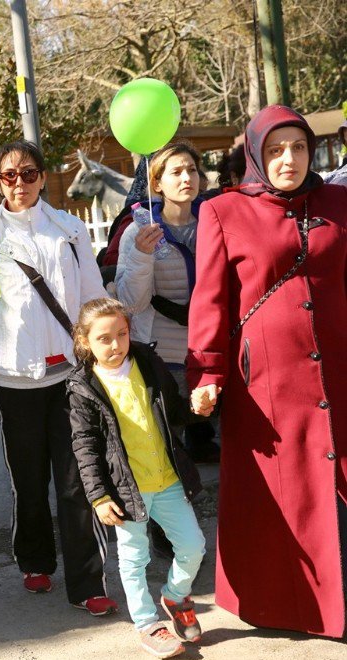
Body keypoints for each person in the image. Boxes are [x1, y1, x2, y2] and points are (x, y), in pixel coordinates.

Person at [187, 105, 347, 637]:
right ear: (256, 154)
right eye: (276, 149)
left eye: (299, 147)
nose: (289, 159)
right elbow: (210, 300)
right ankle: (287, 605)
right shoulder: (223, 212)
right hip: (268, 381)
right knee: (285, 491)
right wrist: (207, 374)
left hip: (340, 370)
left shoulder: (339, 203)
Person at [0, 140, 115, 616]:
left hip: (70, 378)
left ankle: (88, 581)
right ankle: (34, 559)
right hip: (14, 383)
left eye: (29, 173)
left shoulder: (69, 231)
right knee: (28, 482)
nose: (20, 183)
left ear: (45, 177)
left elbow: (92, 300)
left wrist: (104, 355)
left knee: (77, 484)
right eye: (9, 176)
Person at [67, 298, 205, 659]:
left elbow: (173, 410)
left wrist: (199, 407)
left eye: (122, 334)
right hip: (127, 490)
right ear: (85, 342)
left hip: (167, 479)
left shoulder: (147, 362)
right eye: (104, 338)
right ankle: (147, 624)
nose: (115, 345)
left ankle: (175, 595)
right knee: (134, 558)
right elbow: (85, 447)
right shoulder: (83, 386)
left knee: (193, 546)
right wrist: (98, 496)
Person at [113, 142, 218, 463]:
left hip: (209, 352)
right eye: (176, 172)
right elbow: (131, 303)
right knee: (164, 451)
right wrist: (142, 256)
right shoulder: (137, 232)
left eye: (191, 170)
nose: (187, 177)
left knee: (208, 428)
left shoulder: (216, 223)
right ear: (156, 184)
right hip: (163, 355)